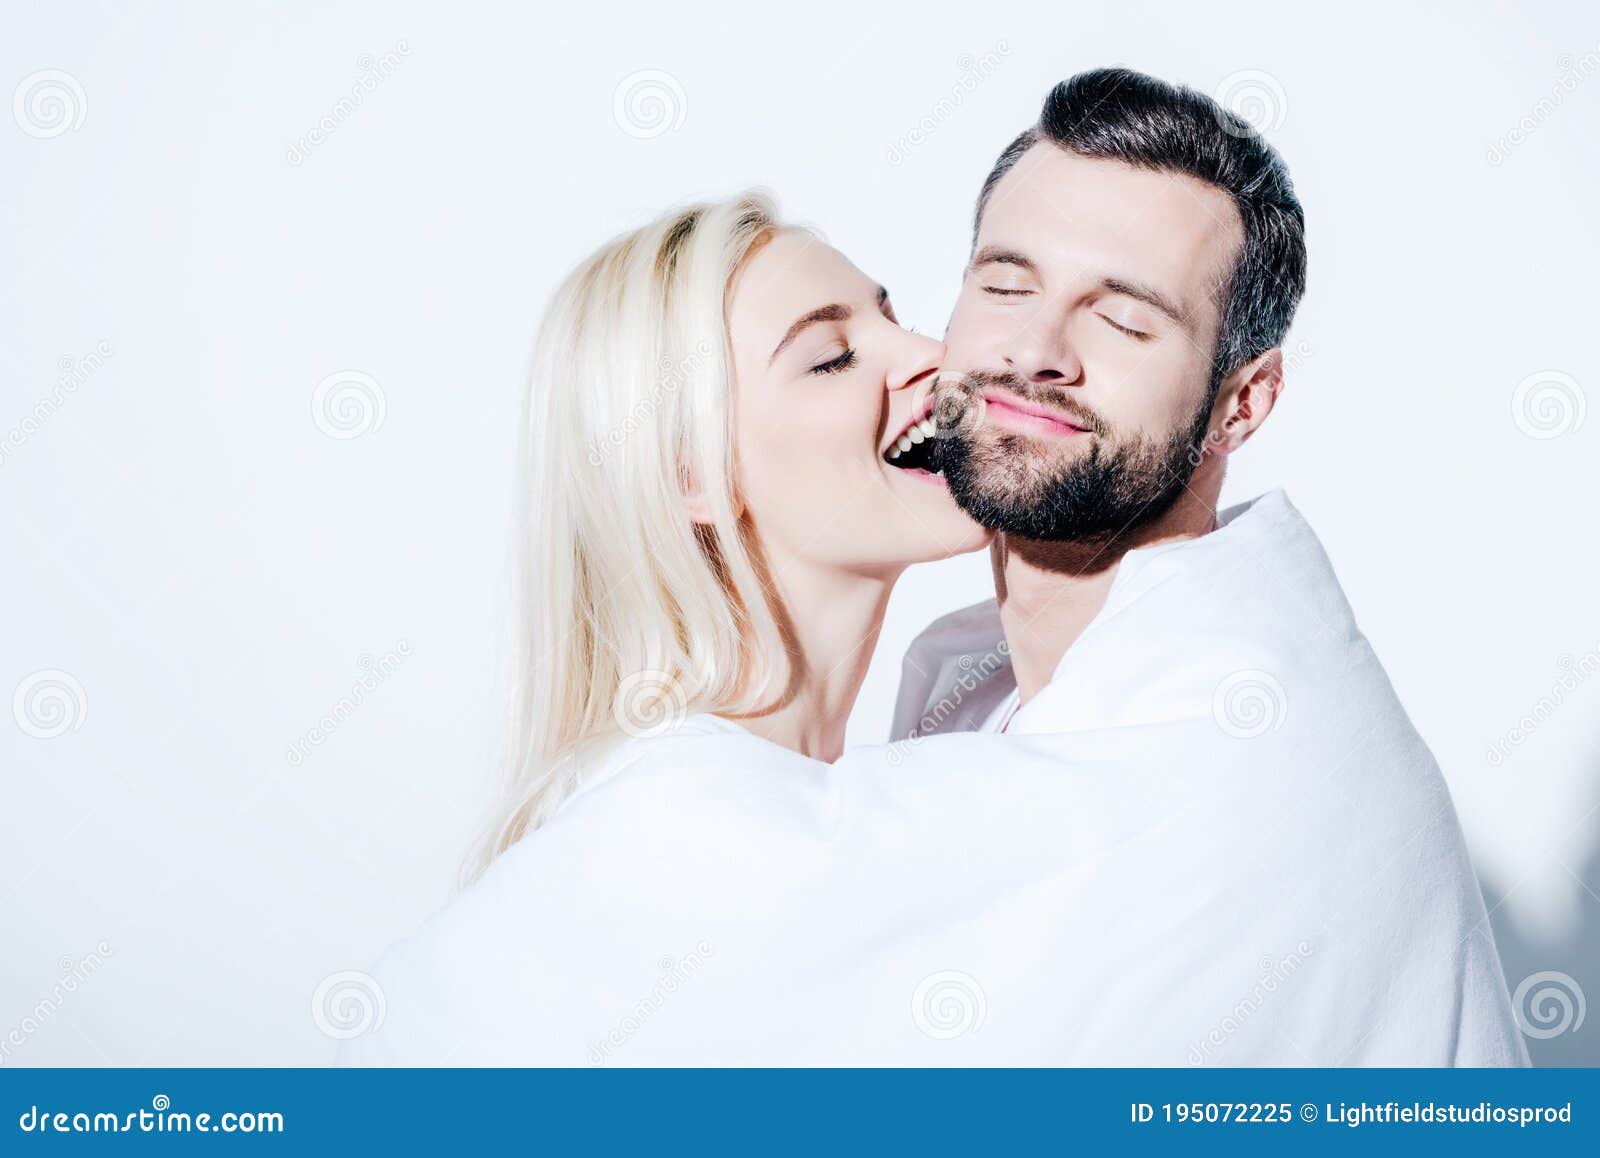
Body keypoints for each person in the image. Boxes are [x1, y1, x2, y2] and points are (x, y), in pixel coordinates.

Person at [891, 68, 1528, 1064]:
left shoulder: (1233, 755)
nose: (1034, 350)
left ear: (1243, 403)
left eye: (1121, 318)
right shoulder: (978, 675)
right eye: (1006, 284)